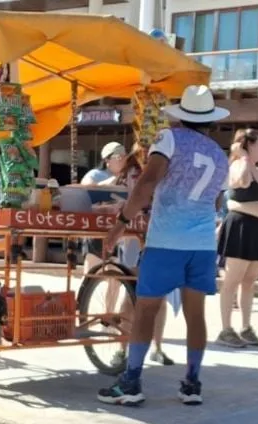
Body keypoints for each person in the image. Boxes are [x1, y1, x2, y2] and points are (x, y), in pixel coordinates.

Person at [98, 85, 229, 406]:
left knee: (146, 309)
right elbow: (217, 201)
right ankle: (192, 383)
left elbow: (148, 181)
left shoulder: (169, 138)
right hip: (201, 244)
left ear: (182, 115)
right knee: (196, 314)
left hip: (167, 239)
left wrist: (121, 223)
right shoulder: (219, 154)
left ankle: (131, 382)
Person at [82, 144, 174, 366]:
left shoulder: (167, 170)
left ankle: (157, 347)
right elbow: (118, 196)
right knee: (131, 292)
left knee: (159, 296)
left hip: (161, 233)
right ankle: (122, 348)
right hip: (135, 234)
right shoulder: (130, 173)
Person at [216, 129, 258, 347]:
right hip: (241, 226)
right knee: (232, 280)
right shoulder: (237, 165)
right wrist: (241, 156)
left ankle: (245, 326)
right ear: (248, 145)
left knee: (250, 280)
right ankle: (225, 328)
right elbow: (240, 182)